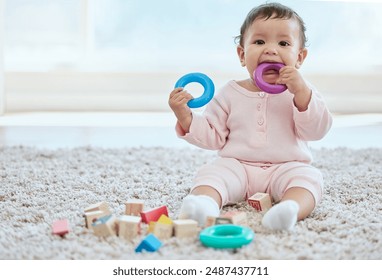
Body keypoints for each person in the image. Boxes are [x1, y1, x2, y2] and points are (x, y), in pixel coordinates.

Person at [168, 2, 332, 230]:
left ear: (299, 58)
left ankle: (289, 209)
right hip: (237, 166)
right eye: (259, 41)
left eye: (283, 43)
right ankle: (203, 206)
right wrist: (185, 116)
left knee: (309, 178)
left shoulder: (302, 91)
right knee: (211, 173)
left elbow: (316, 131)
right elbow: (213, 137)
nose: (271, 49)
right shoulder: (230, 92)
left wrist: (302, 94)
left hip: (286, 165)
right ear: (242, 55)